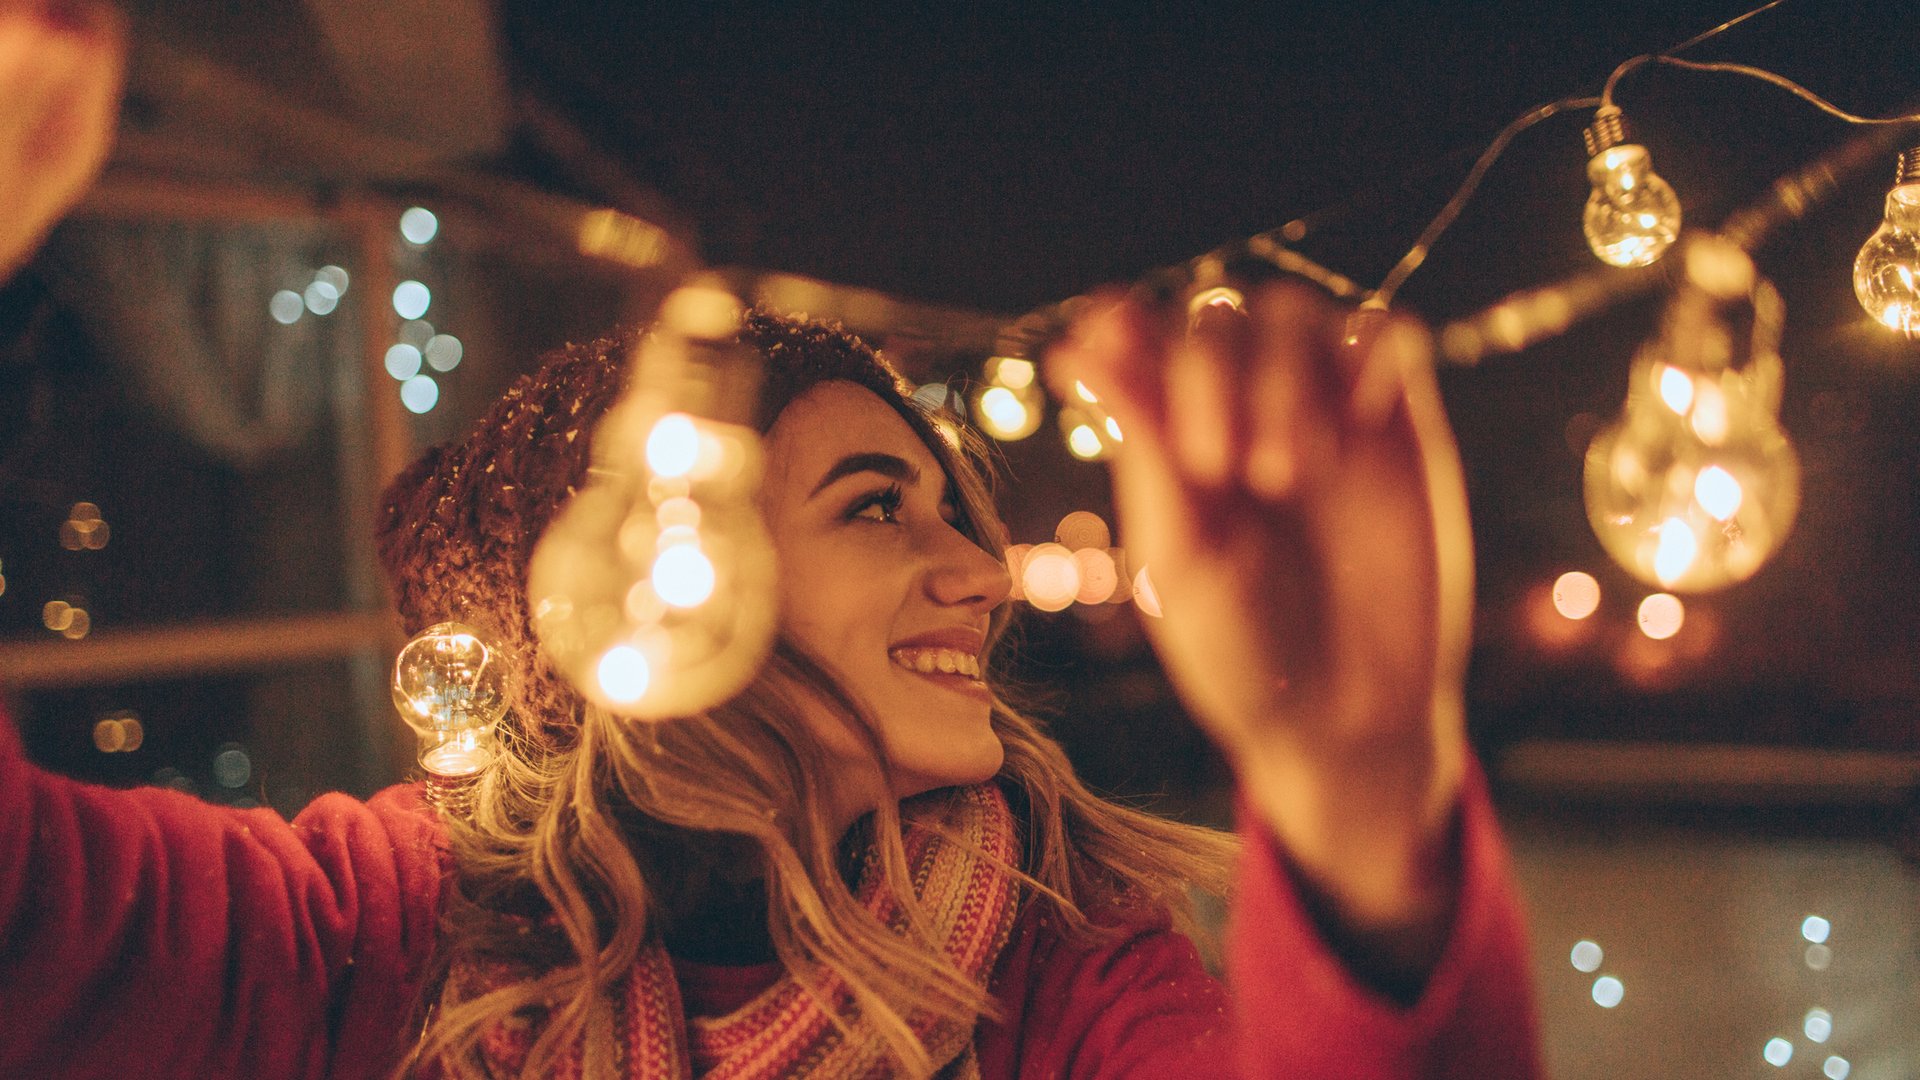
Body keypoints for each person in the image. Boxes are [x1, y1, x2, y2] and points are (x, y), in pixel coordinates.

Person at [0, 6, 1538, 1077]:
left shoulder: (1056, 977)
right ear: (643, 560)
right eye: (877, 505)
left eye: (954, 508)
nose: (983, 574)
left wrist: (1361, 790)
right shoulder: (379, 933)